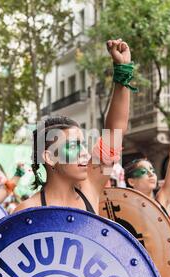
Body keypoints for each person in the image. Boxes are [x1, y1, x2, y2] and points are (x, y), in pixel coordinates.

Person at [14, 39, 133, 214]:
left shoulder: (90, 186)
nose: (85, 153)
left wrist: (122, 69)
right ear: (49, 157)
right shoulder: (26, 212)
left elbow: (115, 130)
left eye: (83, 144)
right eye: (73, 146)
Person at [123, 100, 170, 216]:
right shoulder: (123, 208)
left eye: (152, 171)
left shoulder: (163, 200)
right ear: (131, 181)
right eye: (143, 172)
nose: (151, 174)